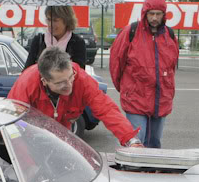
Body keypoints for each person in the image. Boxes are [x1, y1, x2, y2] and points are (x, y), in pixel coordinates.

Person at [8, 47, 141, 147]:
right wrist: (29, 164)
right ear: (44, 81)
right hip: (30, 138)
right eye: (60, 82)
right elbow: (13, 123)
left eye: (70, 77)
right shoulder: (26, 84)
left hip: (61, 137)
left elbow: (106, 109)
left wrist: (131, 139)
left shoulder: (81, 79)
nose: (69, 85)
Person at [109, 0, 178, 148]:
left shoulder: (170, 35)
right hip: (136, 100)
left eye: (158, 14)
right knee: (135, 144)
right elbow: (116, 63)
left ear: (164, 15)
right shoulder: (131, 32)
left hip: (161, 100)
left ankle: (152, 172)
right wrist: (127, 89)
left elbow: (172, 67)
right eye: (151, 13)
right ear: (145, 13)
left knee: (154, 144)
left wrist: (168, 91)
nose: (154, 18)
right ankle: (133, 172)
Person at [24, 6, 86, 70]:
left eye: (55, 20)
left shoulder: (77, 42)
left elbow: (79, 72)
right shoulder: (39, 40)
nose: (50, 24)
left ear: (66, 21)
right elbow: (27, 70)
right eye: (48, 19)